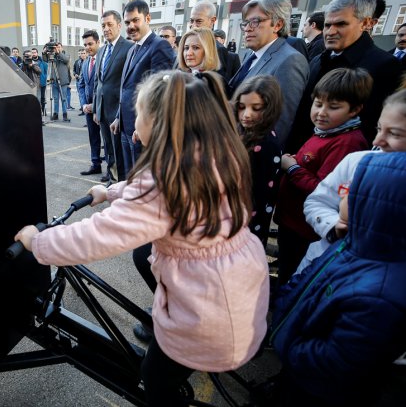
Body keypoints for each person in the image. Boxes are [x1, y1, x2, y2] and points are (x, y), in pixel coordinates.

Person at [16, 70, 269, 406]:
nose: (134, 126)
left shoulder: (163, 185)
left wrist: (39, 243)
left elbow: (99, 235)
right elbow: (154, 198)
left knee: (156, 379)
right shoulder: (213, 156)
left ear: (160, 125)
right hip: (234, 291)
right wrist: (110, 192)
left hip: (206, 312)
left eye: (139, 117)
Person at [271, 151, 406, 407]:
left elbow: (334, 363)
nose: (342, 195)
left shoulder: (379, 297)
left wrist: (290, 346)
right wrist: (284, 306)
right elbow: (309, 280)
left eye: (351, 191)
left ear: (374, 205)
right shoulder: (350, 246)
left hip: (314, 389)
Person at [274, 68, 371, 285]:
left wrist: (292, 168)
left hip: (306, 230)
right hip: (292, 221)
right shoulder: (325, 132)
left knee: (294, 277)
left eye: (333, 107)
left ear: (355, 110)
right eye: (318, 104)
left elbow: (323, 188)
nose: (321, 112)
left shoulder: (348, 143)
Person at [299, 89, 406, 274]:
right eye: (379, 129)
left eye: (394, 134)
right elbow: (317, 202)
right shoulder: (356, 161)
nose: (377, 140)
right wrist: (333, 226)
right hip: (321, 266)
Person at [287, 0, 401, 152]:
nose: (331, 32)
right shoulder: (317, 60)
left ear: (366, 23)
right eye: (327, 25)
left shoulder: (386, 66)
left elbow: (372, 128)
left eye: (341, 24)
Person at [228, 0, 309, 147]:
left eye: (255, 22)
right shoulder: (250, 55)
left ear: (277, 25)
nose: (247, 29)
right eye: (245, 23)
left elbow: (280, 123)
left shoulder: (290, 60)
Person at [112, 0, 174, 176]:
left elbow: (161, 93)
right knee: (129, 175)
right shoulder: (132, 49)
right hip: (125, 126)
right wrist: (118, 117)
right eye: (127, 22)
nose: (130, 26)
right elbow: (126, 88)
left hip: (142, 129)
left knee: (142, 178)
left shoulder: (159, 46)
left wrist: (144, 125)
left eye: (135, 20)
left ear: (148, 18)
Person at [231, 75, 283, 246]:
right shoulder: (243, 132)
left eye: (256, 108)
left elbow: (258, 194)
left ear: (270, 109)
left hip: (246, 220)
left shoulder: (267, 144)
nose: (247, 114)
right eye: (241, 107)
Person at [93, 10, 133, 183]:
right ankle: (112, 177)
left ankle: (122, 183)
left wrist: (121, 112)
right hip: (102, 110)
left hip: (118, 110)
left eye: (109, 24)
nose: (106, 29)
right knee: (108, 147)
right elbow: (98, 83)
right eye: (103, 25)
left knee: (119, 149)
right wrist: (96, 109)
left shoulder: (129, 48)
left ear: (119, 25)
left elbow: (129, 83)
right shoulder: (101, 51)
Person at [189, 0, 240, 82]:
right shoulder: (183, 48)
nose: (193, 25)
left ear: (212, 21)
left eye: (199, 21)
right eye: (191, 21)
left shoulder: (219, 51)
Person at [77, 30, 102, 176]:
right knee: (93, 137)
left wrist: (96, 106)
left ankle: (111, 169)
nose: (87, 47)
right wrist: (84, 105)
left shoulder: (105, 59)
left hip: (102, 107)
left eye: (90, 44)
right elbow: (81, 84)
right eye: (85, 44)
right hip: (88, 108)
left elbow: (106, 86)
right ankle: (95, 164)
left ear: (98, 42)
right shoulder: (86, 62)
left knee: (108, 139)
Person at [48, 42, 71, 122]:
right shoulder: (52, 56)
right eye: (56, 47)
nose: (57, 48)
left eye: (59, 47)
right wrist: (45, 51)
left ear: (62, 48)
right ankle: (56, 114)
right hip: (54, 81)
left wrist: (59, 53)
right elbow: (45, 59)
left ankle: (65, 114)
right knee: (55, 99)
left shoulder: (65, 55)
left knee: (63, 98)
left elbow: (66, 60)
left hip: (63, 81)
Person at [31, 48, 48, 117]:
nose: (33, 54)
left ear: (37, 53)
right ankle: (38, 112)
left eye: (35, 52)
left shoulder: (42, 61)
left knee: (43, 98)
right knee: (36, 98)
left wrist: (44, 77)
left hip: (42, 82)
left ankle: (43, 111)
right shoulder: (29, 62)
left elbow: (46, 70)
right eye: (32, 52)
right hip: (34, 83)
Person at [73, 49, 87, 115]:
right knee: (81, 96)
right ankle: (82, 109)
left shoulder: (88, 61)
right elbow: (74, 70)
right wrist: (75, 74)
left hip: (86, 82)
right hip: (78, 81)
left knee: (86, 96)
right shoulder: (77, 62)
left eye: (84, 53)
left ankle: (86, 109)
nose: (82, 55)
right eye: (81, 53)